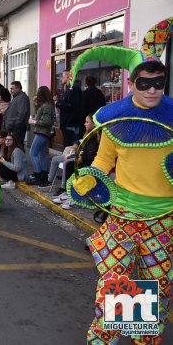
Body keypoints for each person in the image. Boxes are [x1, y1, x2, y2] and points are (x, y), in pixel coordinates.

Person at [67, 17, 173, 344]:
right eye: (144, 83)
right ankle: (106, 339)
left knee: (156, 289)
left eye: (159, 82)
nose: (153, 89)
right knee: (116, 286)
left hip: (165, 219)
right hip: (124, 216)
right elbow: (103, 160)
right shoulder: (115, 118)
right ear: (131, 84)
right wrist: (89, 179)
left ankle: (143, 339)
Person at [49, 114, 98, 210]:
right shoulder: (89, 134)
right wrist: (76, 145)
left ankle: (74, 196)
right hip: (84, 158)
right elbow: (80, 141)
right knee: (68, 163)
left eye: (87, 122)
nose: (84, 124)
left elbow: (95, 155)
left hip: (92, 163)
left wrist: (82, 159)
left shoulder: (97, 137)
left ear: (94, 124)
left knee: (69, 164)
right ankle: (68, 192)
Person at [26, 86, 56, 186]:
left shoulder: (46, 106)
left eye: (38, 93)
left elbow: (46, 121)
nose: (37, 95)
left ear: (41, 95)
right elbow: (41, 114)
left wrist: (34, 121)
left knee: (32, 153)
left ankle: (38, 175)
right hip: (44, 132)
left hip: (42, 132)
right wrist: (36, 104)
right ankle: (43, 174)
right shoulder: (46, 105)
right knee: (43, 154)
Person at [55, 71, 82, 147]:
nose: (61, 79)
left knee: (69, 147)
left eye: (62, 76)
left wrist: (58, 103)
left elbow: (71, 106)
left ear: (68, 76)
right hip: (67, 123)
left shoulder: (74, 88)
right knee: (67, 146)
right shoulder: (69, 88)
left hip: (70, 123)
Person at [2, 81, 30, 146]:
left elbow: (22, 112)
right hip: (14, 126)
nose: (10, 90)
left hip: (18, 127)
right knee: (14, 145)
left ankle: (19, 156)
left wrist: (17, 124)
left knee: (17, 145)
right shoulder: (17, 97)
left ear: (18, 88)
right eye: (10, 88)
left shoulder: (22, 97)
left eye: (12, 88)